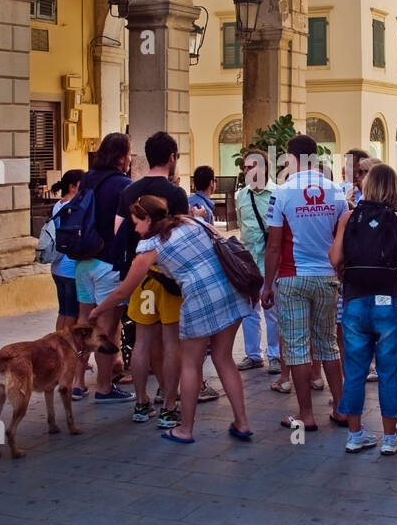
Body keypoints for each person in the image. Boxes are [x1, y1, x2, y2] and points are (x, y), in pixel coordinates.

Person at [90, 195, 253, 443]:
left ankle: (185, 429)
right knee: (224, 358)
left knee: (190, 364)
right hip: (230, 289)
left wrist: (97, 310)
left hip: (199, 299)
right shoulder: (190, 222)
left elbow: (125, 290)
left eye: (136, 222)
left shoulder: (149, 248)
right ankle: (242, 423)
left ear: (148, 218)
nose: (134, 229)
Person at [262, 134, 347, 431]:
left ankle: (306, 415)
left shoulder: (283, 192)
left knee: (298, 348)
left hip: (292, 277)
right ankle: (340, 408)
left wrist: (267, 285)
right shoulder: (336, 190)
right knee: (328, 346)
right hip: (327, 277)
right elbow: (341, 236)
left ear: (291, 158)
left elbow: (273, 246)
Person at [329, 163, 397, 455]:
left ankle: (355, 434)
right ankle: (390, 438)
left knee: (354, 371)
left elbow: (334, 258)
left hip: (354, 301)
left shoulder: (348, 218)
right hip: (389, 302)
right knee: (389, 372)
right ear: (392, 187)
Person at [110, 131, 187, 424]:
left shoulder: (130, 190)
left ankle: (141, 404)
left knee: (141, 342)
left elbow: (119, 231)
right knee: (171, 342)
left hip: (139, 275)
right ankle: (169, 405)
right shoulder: (177, 194)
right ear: (171, 158)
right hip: (169, 279)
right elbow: (182, 235)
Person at [74, 133, 134, 403]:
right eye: (129, 154)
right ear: (122, 156)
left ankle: (76, 382)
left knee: (83, 325)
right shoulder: (124, 185)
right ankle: (104, 388)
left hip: (82, 262)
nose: (130, 159)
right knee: (107, 330)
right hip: (108, 263)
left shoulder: (87, 179)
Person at [235, 148, 282, 378]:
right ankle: (253, 355)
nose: (245, 171)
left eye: (249, 166)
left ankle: (275, 356)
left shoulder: (278, 194)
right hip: (248, 263)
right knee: (249, 310)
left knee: (272, 311)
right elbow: (242, 227)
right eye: (244, 167)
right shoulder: (241, 195)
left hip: (272, 263)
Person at [49, 169, 89, 399]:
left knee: (63, 311)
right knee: (73, 315)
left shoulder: (58, 205)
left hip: (57, 269)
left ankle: (56, 352)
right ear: (74, 186)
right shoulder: (75, 207)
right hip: (71, 269)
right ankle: (68, 355)